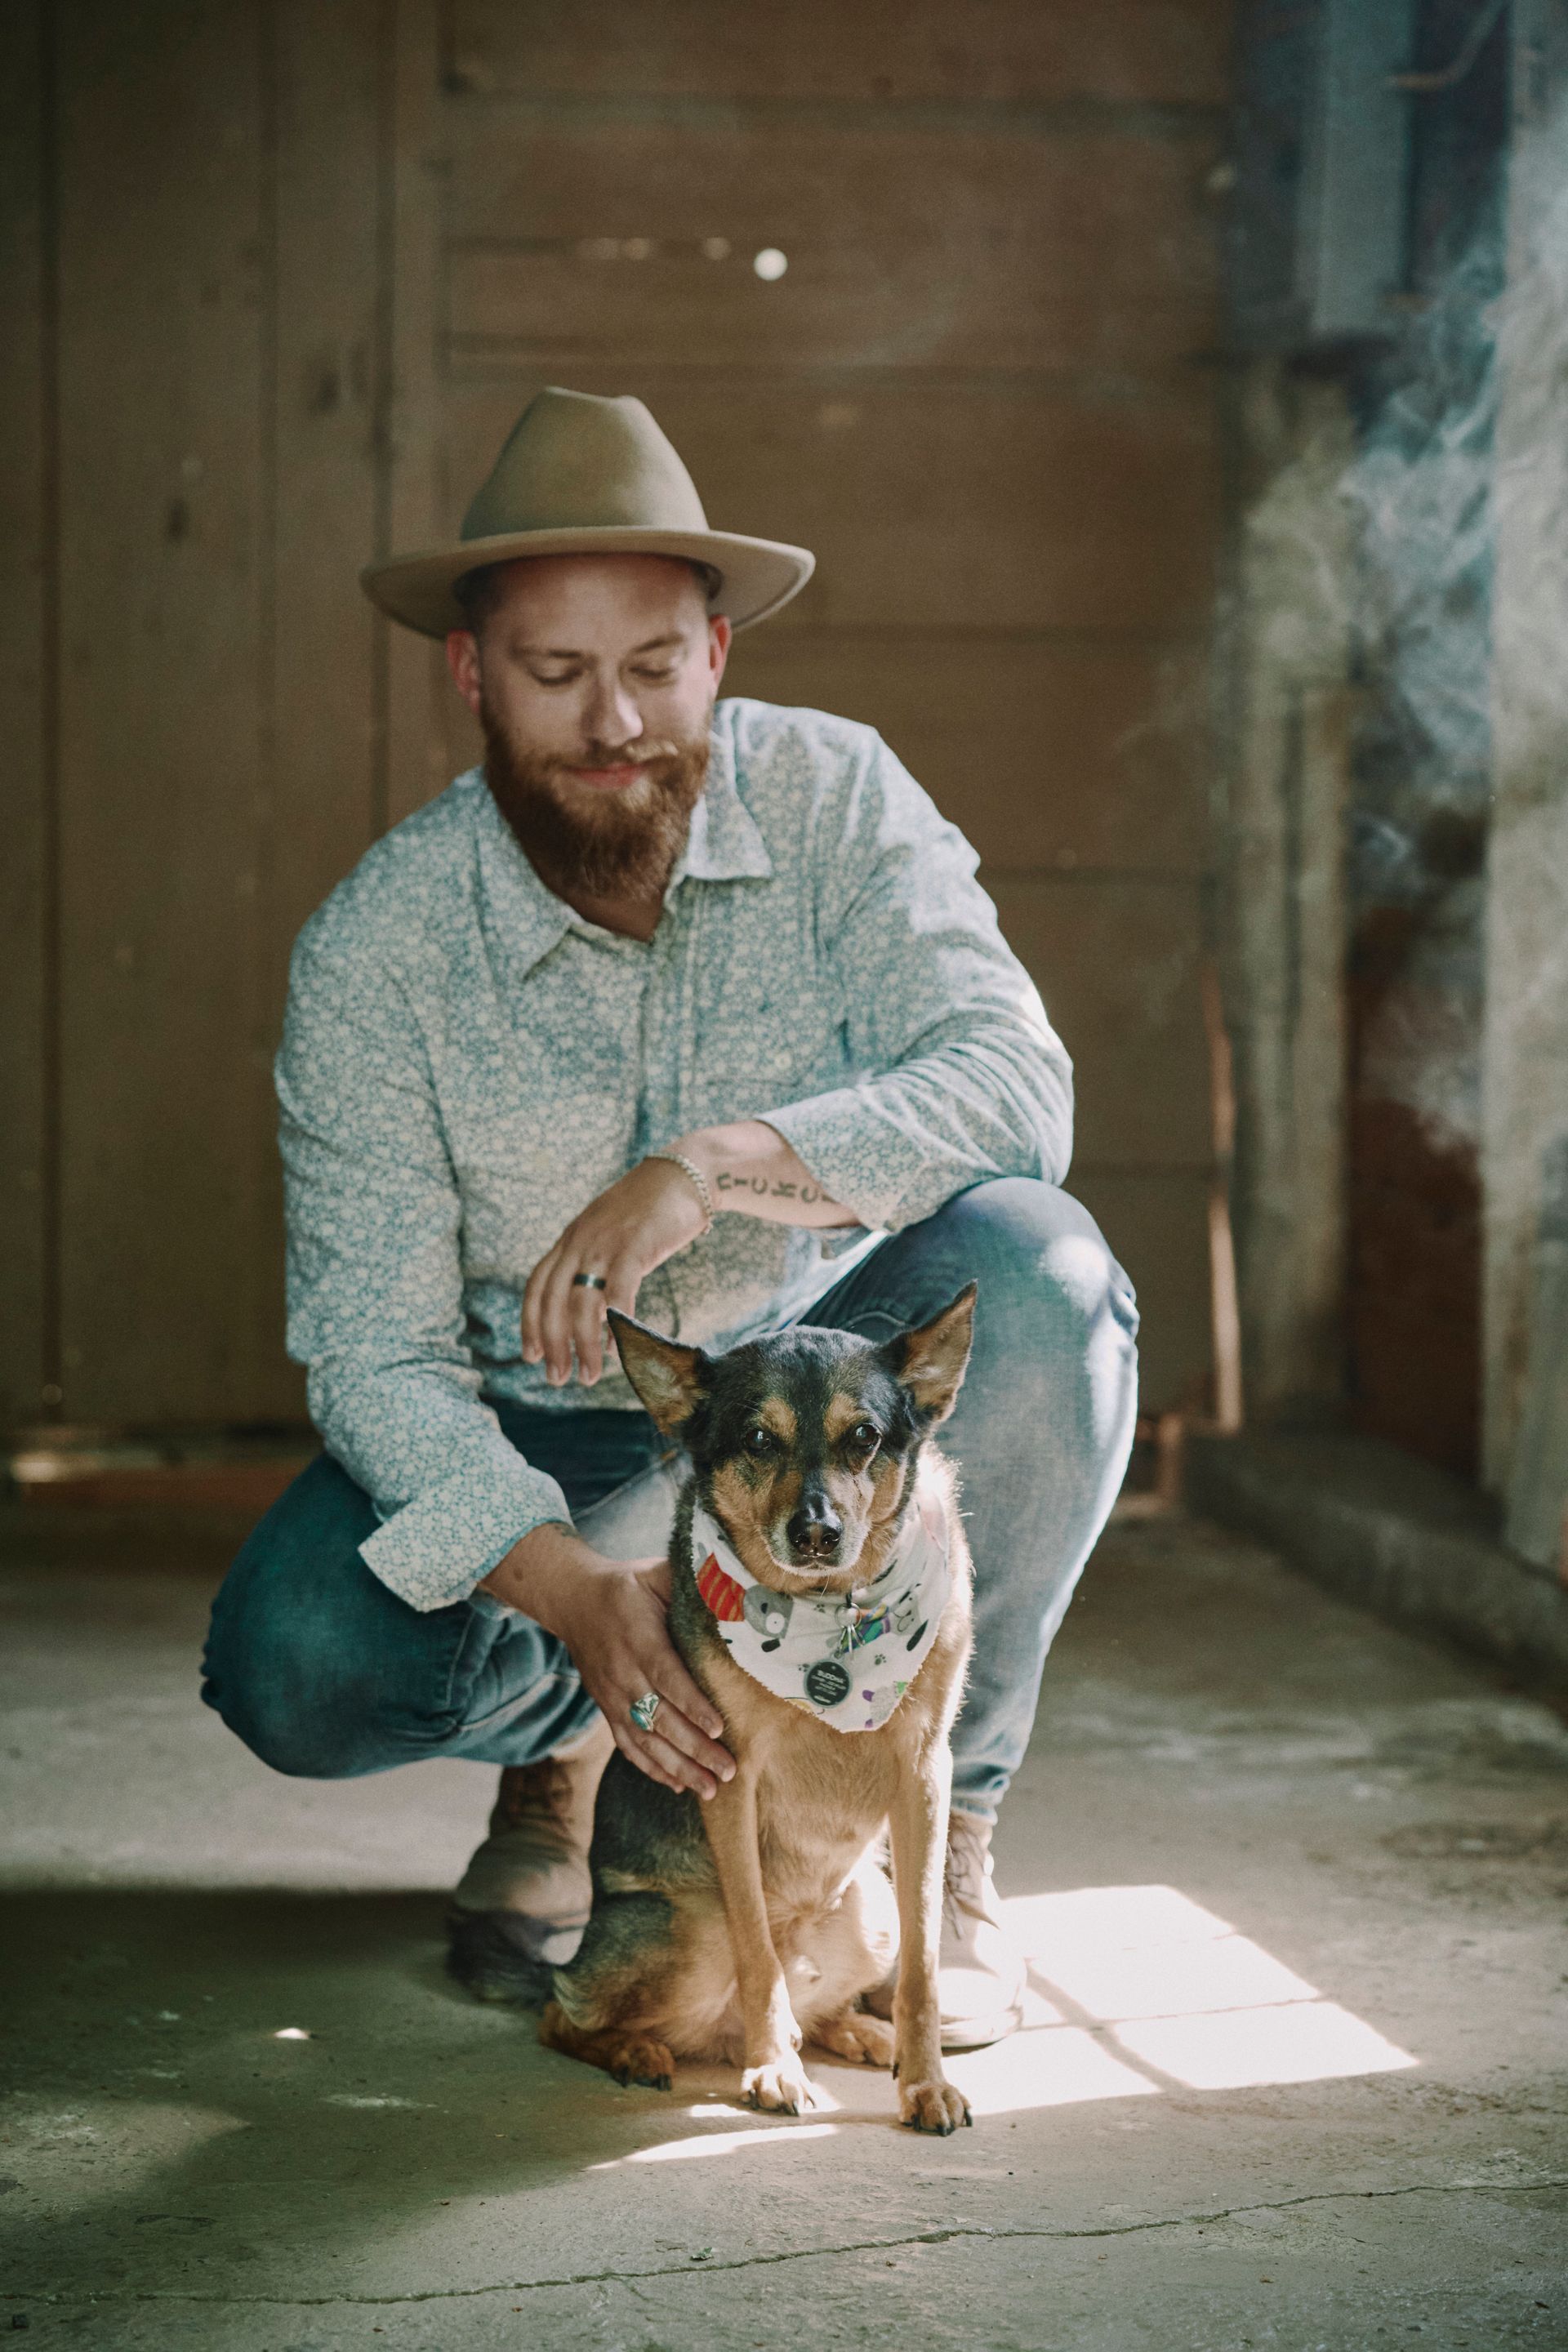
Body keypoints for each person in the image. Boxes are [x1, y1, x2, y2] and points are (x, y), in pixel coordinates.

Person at [201, 387, 1139, 2050]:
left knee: (1047, 1277)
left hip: (809, 1410)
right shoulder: (380, 950)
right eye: (555, 675)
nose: (613, 718)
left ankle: (951, 1840)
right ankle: (566, 1768)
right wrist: (567, 1583)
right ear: (471, 673)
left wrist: (710, 1166)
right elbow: (369, 1347)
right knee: (295, 1656)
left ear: (717, 651)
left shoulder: (843, 801)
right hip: (545, 1438)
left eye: (652, 664)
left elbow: (1018, 1083)